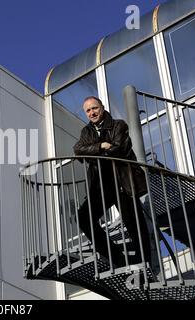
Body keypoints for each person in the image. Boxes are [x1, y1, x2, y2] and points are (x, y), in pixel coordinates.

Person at [73, 96, 151, 267]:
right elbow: (78, 150)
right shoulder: (86, 132)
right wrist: (101, 146)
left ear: (102, 107)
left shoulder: (118, 125)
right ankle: (118, 260)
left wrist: (95, 154)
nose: (92, 112)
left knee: (134, 222)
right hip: (100, 185)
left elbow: (118, 150)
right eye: (88, 110)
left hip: (122, 181)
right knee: (83, 217)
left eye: (95, 108)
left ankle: (145, 264)